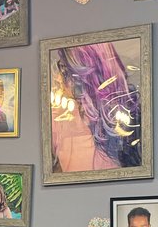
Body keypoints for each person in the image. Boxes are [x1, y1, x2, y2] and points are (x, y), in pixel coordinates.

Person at [51, 42, 142, 171]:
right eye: (61, 66)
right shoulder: (58, 118)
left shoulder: (130, 119)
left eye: (64, 69)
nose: (58, 77)